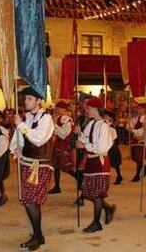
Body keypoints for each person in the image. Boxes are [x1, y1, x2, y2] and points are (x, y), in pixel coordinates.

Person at [10, 87, 54, 252]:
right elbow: (20, 138)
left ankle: (38, 235)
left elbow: (38, 139)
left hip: (40, 165)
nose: (25, 101)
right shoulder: (26, 117)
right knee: (28, 200)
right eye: (25, 98)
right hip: (26, 162)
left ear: (38, 101)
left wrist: (21, 125)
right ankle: (38, 235)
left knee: (31, 201)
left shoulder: (46, 118)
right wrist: (17, 148)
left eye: (29, 99)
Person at [76, 98, 116, 232]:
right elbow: (85, 138)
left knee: (97, 194)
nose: (86, 110)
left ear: (95, 109)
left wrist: (84, 145)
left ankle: (96, 223)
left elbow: (102, 147)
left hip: (100, 162)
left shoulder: (104, 126)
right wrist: (79, 134)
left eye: (88, 108)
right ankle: (108, 209)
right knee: (91, 192)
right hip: (91, 161)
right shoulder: (91, 124)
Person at [48, 101, 76, 194]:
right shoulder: (56, 118)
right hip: (56, 145)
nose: (57, 110)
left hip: (63, 146)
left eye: (59, 108)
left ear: (64, 109)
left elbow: (63, 134)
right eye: (56, 108)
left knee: (66, 167)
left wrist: (54, 125)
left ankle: (80, 181)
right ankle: (57, 187)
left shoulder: (67, 119)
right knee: (55, 166)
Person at [126, 103, 146, 182]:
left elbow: (144, 130)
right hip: (134, 139)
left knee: (139, 158)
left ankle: (137, 175)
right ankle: (145, 167)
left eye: (140, 109)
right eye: (138, 109)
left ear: (144, 109)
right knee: (134, 157)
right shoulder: (135, 118)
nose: (138, 110)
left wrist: (134, 131)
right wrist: (129, 123)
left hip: (141, 139)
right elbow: (128, 127)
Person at [104, 110, 123, 185]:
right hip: (107, 146)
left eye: (106, 116)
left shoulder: (111, 127)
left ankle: (119, 176)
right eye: (104, 116)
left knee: (114, 163)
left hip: (111, 147)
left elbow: (114, 137)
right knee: (109, 164)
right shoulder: (105, 126)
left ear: (110, 118)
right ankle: (117, 176)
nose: (104, 117)